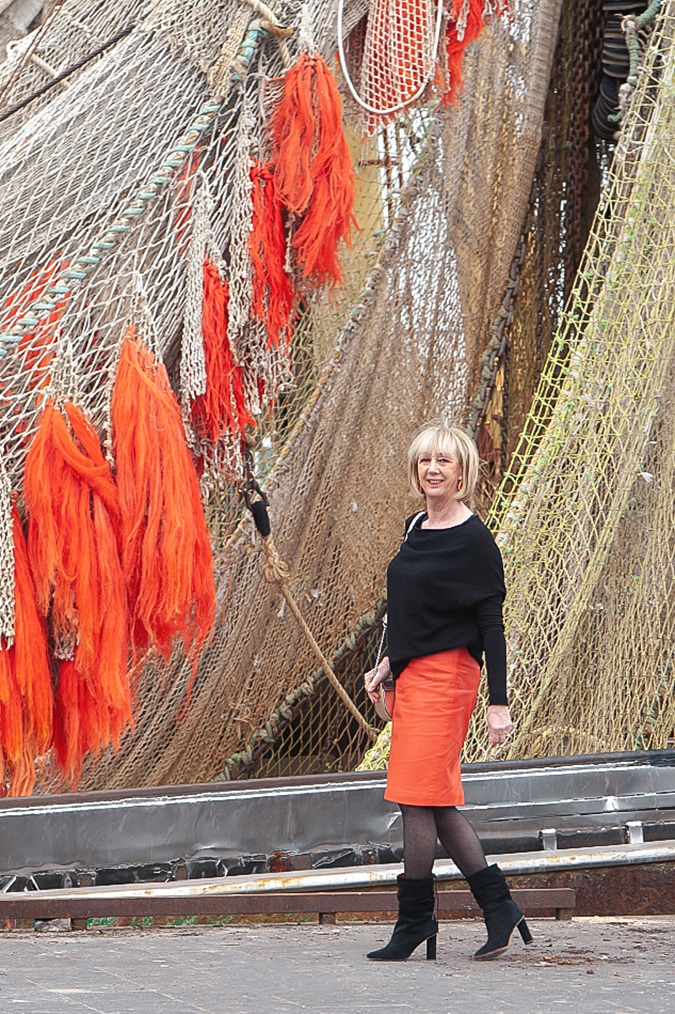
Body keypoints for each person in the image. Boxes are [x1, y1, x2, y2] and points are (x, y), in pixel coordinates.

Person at [364, 421, 531, 962]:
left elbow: (491, 627)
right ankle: (499, 908)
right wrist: (387, 664)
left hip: (449, 678)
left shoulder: (475, 539)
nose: (432, 469)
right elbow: (410, 612)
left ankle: (414, 922)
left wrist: (499, 703)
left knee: (415, 797)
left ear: (463, 472)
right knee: (431, 800)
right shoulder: (415, 526)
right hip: (412, 676)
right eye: (425, 461)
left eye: (444, 461)